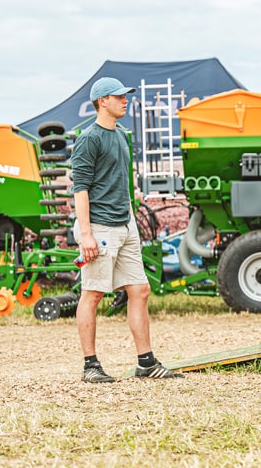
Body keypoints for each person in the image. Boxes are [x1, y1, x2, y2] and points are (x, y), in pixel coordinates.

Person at [72, 77, 183, 383]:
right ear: (101, 101)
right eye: (118, 96)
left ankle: (146, 363)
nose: (125, 100)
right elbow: (80, 189)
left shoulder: (121, 135)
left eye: (125, 96)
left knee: (140, 289)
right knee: (92, 295)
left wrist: (131, 218)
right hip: (101, 227)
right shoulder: (89, 138)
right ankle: (90, 365)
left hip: (125, 223)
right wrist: (86, 234)